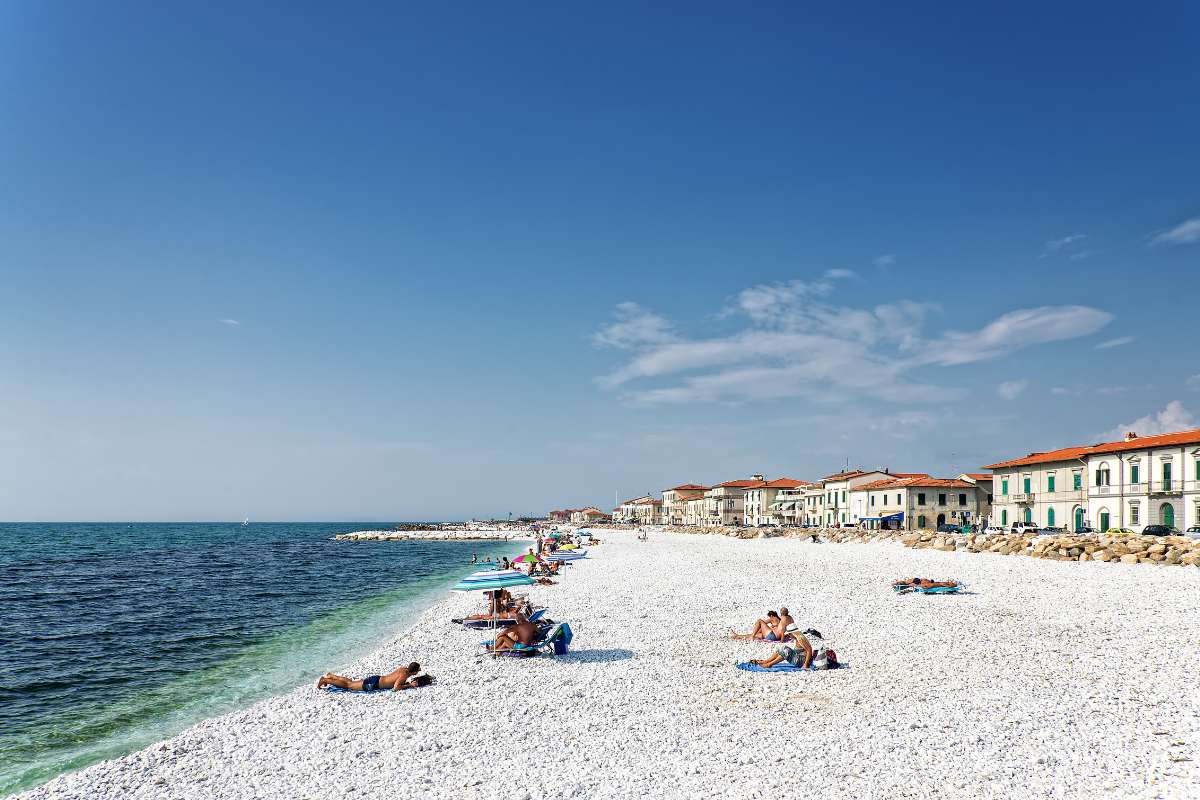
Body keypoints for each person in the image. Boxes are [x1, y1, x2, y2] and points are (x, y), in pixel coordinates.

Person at [316, 662, 433, 692]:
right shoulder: (404, 675)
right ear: (414, 672)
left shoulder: (403, 669)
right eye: (418, 671)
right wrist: (409, 685)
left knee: (351, 681)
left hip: (377, 678)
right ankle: (325, 680)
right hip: (374, 684)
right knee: (348, 685)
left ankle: (332, 676)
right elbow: (396, 687)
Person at [751, 629, 833, 670]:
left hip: (801, 661)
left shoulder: (801, 639)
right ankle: (766, 661)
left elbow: (809, 650)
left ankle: (769, 664)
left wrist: (806, 664)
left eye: (789, 634)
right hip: (799, 658)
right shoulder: (797, 639)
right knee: (781, 648)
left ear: (793, 633)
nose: (789, 636)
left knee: (786, 650)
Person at [892, 577, 959, 589]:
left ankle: (897, 583)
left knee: (907, 583)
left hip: (917, 580)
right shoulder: (929, 583)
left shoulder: (925, 581)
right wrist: (949, 586)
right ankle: (898, 584)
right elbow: (924, 586)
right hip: (918, 582)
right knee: (909, 584)